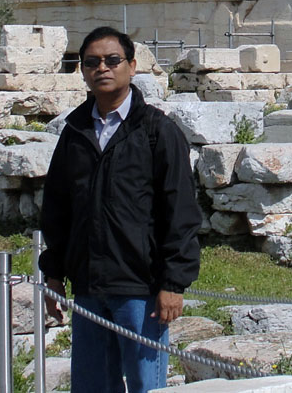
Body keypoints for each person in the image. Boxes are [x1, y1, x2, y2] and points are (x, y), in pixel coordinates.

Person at [40, 26, 202, 393]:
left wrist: (173, 282)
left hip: (140, 290)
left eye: (113, 60)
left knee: (147, 386)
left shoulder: (158, 132)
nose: (103, 68)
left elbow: (181, 213)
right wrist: (53, 273)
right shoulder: (74, 132)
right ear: (82, 70)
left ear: (131, 66)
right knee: (92, 387)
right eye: (92, 62)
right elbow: (57, 209)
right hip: (88, 287)